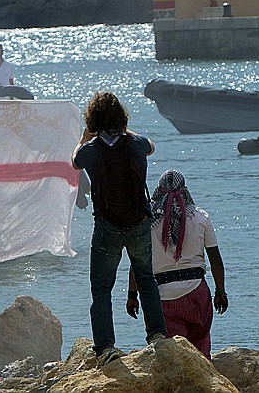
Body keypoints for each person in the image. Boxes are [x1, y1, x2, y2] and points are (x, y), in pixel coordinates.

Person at [72, 92, 166, 366]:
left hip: (108, 226)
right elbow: (152, 147)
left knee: (101, 288)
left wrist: (86, 134)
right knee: (146, 280)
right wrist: (125, 129)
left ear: (93, 121)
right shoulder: (135, 144)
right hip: (138, 223)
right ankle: (157, 335)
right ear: (122, 120)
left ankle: (106, 348)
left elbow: (75, 160)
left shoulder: (90, 150)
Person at [126, 169, 228, 360]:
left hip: (164, 297)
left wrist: (132, 295)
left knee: (174, 358)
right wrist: (220, 292)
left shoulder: (146, 222)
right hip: (198, 293)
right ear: (185, 190)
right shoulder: (201, 217)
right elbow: (215, 259)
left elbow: (137, 263)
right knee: (201, 351)